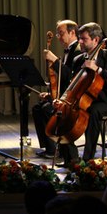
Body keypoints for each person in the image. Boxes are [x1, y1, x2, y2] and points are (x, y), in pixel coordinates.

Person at [54, 22, 107, 164]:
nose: (80, 41)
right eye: (79, 38)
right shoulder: (78, 59)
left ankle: (88, 159)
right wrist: (62, 99)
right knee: (61, 111)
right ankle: (71, 158)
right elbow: (73, 85)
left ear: (96, 40)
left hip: (106, 101)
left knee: (92, 111)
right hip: (84, 100)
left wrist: (98, 70)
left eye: (84, 39)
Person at [33, 19, 80, 159]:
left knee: (46, 109)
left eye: (61, 33)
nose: (58, 37)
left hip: (74, 98)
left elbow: (71, 77)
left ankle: (57, 150)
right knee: (37, 108)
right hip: (64, 95)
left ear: (72, 33)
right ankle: (50, 148)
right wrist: (50, 94)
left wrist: (55, 60)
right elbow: (62, 81)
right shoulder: (68, 50)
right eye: (58, 34)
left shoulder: (78, 50)